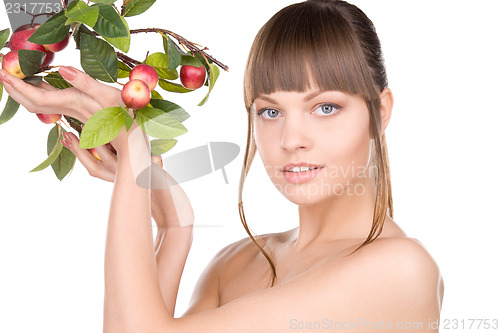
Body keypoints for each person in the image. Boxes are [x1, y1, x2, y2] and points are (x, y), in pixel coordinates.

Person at [0, 0, 444, 331]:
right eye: (270, 112)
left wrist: (132, 142)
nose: (291, 141)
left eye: (325, 108)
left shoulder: (400, 269)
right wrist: (174, 228)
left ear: (380, 112)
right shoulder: (235, 262)